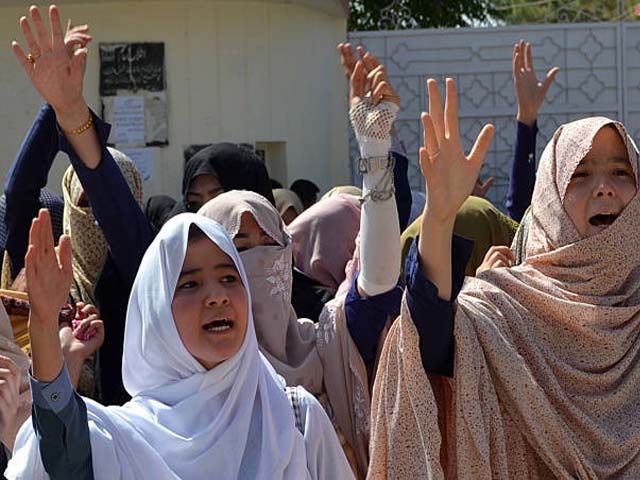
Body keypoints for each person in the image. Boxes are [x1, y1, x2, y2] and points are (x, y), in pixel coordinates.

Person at [369, 74, 640, 477]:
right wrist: (439, 220)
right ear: (549, 200)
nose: (604, 188)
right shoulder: (504, 307)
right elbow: (432, 338)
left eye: (621, 173)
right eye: (579, 175)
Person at [6, 210, 353, 479]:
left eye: (229, 278)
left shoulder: (293, 418)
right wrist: (45, 324)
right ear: (157, 312)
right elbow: (64, 451)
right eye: (189, 285)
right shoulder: (126, 439)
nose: (217, 296)